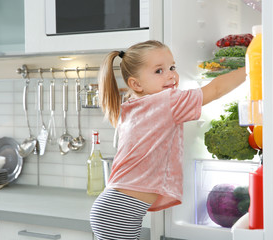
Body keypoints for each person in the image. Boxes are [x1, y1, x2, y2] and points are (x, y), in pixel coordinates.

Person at [90, 40, 246, 240]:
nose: (171, 74)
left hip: (113, 207)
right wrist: (251, 66)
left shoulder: (132, 105)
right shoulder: (168, 101)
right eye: (159, 71)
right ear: (136, 84)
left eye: (172, 67)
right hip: (121, 211)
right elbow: (214, 90)